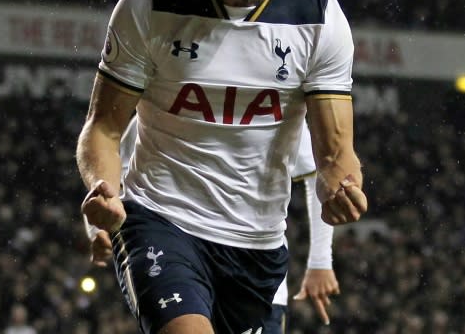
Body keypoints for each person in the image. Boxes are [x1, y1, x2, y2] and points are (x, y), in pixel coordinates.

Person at [75, 0, 367, 334]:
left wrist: (343, 187)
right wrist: (103, 191)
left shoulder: (318, 16)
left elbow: (336, 152)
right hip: (162, 219)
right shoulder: (153, 3)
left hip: (257, 244)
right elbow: (103, 129)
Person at [85, 118, 340, 332]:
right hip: (177, 250)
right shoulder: (162, 103)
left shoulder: (277, 107)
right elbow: (110, 169)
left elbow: (319, 173)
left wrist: (320, 261)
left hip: (252, 270)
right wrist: (98, 228)